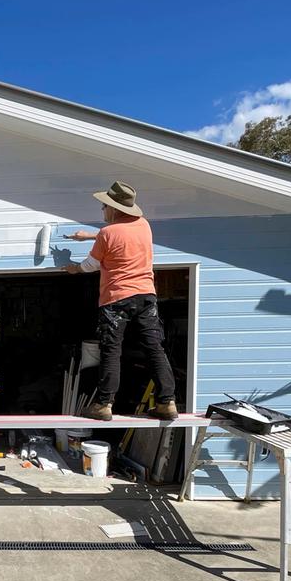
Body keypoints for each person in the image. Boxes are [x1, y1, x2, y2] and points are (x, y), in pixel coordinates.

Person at [65, 180, 178, 421]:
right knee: (154, 348)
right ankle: (167, 402)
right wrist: (89, 236)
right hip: (147, 296)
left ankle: (104, 404)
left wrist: (75, 269)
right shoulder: (144, 226)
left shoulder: (107, 233)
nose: (103, 211)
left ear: (114, 209)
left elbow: (91, 265)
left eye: (104, 207)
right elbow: (121, 236)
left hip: (117, 299)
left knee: (111, 350)